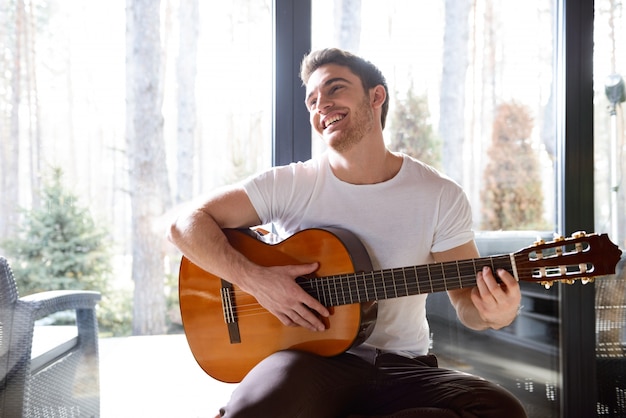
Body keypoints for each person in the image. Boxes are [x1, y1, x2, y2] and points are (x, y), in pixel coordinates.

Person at [168, 48, 527, 418]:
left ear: (376, 96)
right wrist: (257, 280)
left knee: (501, 411)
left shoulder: (438, 194)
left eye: (334, 89)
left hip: (402, 367)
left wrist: (496, 313)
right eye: (311, 100)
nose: (320, 105)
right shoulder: (292, 183)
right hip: (307, 362)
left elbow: (467, 303)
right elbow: (184, 225)